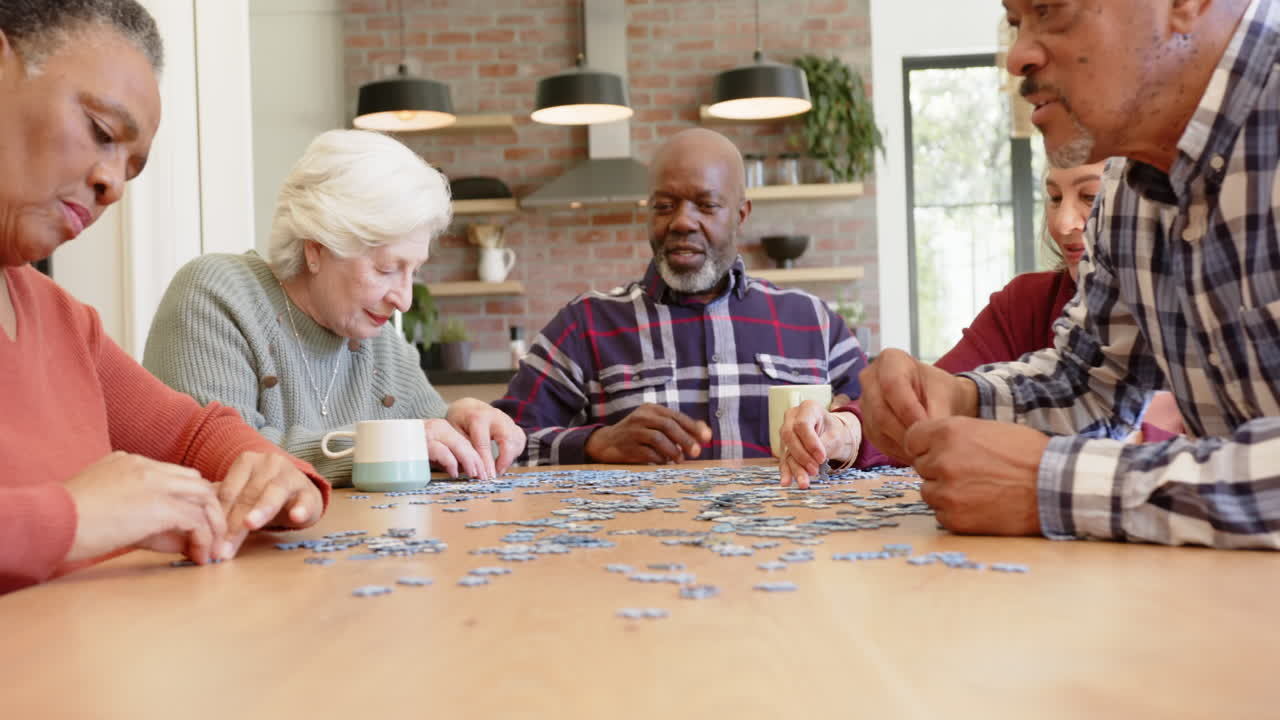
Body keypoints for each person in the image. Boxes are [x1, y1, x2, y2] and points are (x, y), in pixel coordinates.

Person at [859, 0, 1280, 549]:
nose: (1016, 57)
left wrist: (1055, 485)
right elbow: (1087, 382)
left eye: (1051, 10)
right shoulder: (1129, 195)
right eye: (1016, 24)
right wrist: (958, 398)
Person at [0, 0, 330, 594]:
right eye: (101, 132)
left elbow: (193, 434)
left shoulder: (63, 319)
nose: (112, 185)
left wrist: (272, 474)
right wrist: (77, 517)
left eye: (131, 168)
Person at [143, 129, 525, 485]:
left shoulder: (378, 343)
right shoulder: (217, 293)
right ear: (316, 248)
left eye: (414, 272)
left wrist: (471, 425)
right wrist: (384, 447)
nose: (404, 300)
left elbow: (445, 445)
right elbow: (210, 454)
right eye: (387, 269)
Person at [493, 128, 866, 465]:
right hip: (636, 540)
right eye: (664, 206)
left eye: (706, 205)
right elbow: (499, 442)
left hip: (792, 536)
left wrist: (843, 434)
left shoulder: (811, 320)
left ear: (741, 215)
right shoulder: (585, 324)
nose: (682, 222)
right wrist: (596, 442)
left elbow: (886, 430)